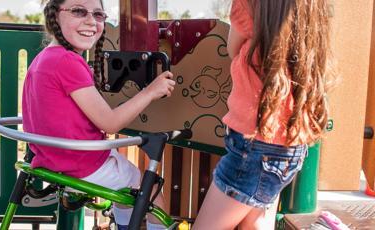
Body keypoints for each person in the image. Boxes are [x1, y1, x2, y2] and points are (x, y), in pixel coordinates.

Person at [22, 0, 175, 229]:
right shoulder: (68, 61)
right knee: (149, 187)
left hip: (52, 162)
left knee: (127, 183)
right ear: (54, 16)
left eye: (98, 14)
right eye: (78, 11)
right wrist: (151, 91)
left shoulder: (44, 58)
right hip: (81, 165)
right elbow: (110, 123)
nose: (91, 21)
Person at [193, 0, 336, 229]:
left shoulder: (249, 4)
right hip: (290, 147)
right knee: (255, 225)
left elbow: (232, 49)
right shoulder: (310, 5)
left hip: (253, 148)